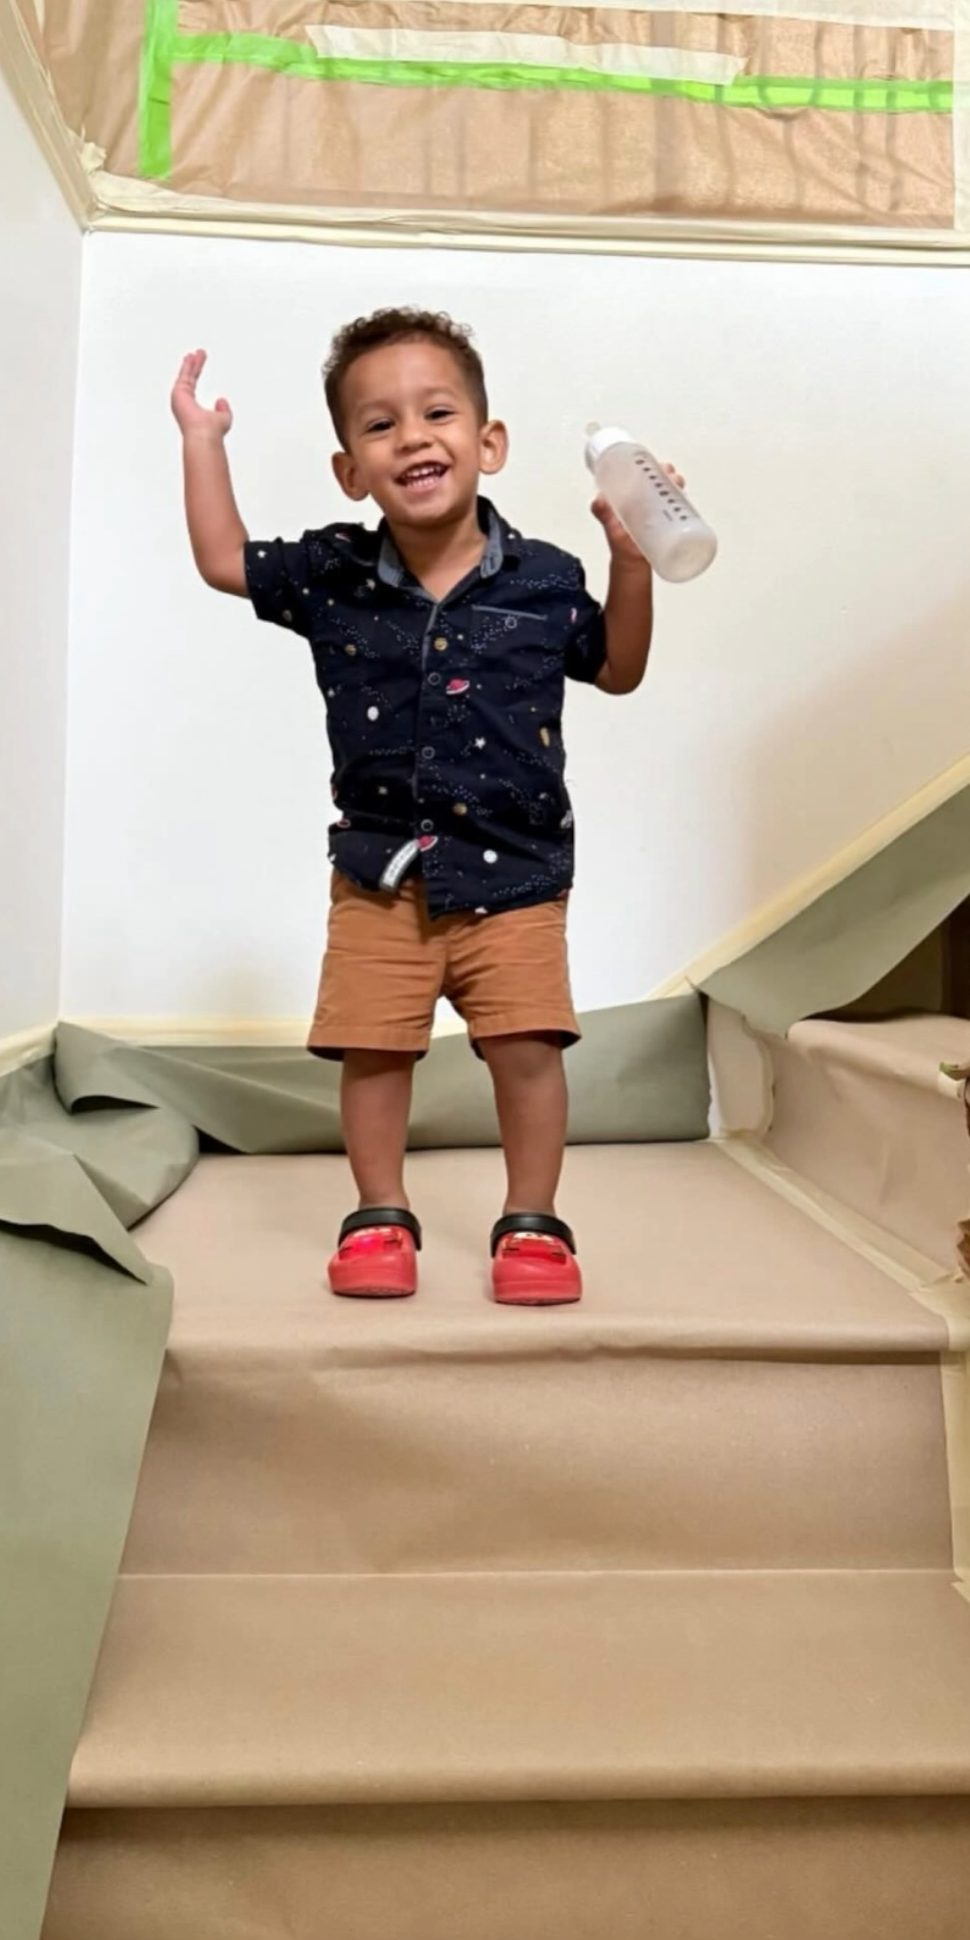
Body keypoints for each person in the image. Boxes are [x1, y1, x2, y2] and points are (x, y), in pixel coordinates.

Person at [171, 307, 670, 1304]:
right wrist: (202, 441)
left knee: (528, 1051)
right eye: (380, 424)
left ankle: (532, 1224)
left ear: (489, 442)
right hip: (380, 875)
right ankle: (378, 1214)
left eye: (437, 413)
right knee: (374, 1050)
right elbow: (225, 560)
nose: (412, 438)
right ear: (350, 470)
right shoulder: (332, 575)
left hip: (517, 873)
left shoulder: (546, 579)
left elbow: (618, 668)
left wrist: (631, 559)